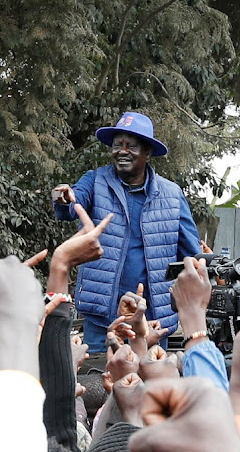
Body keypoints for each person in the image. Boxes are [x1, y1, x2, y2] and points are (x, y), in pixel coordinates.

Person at [51, 112, 200, 351]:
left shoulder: (172, 195)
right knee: (98, 379)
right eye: (117, 145)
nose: (122, 151)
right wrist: (64, 199)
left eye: (131, 146)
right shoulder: (95, 181)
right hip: (103, 317)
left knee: (148, 382)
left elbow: (191, 254)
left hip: (152, 318)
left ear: (147, 152)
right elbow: (74, 202)